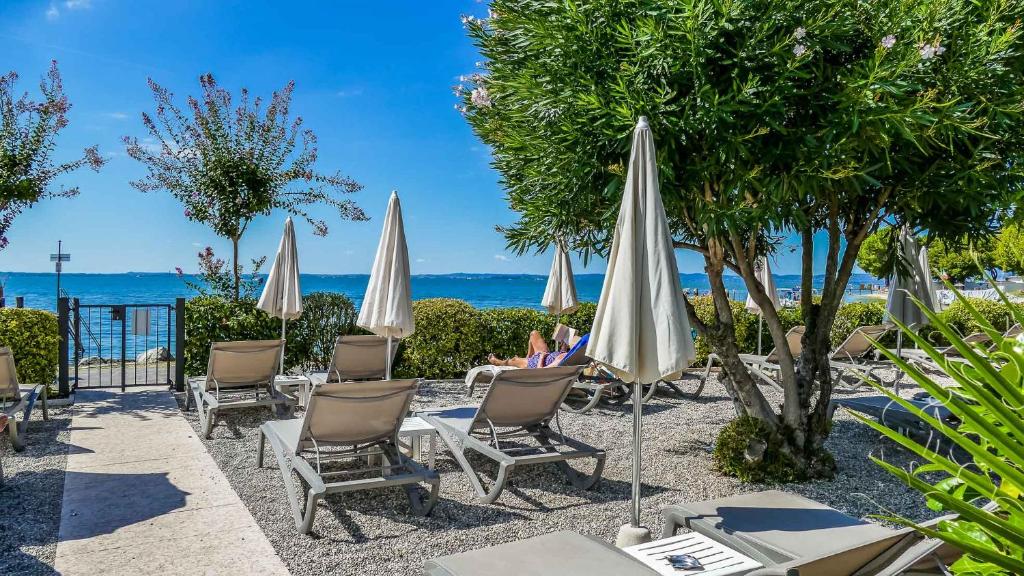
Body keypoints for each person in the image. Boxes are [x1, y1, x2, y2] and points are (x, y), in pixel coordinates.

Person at [488, 330, 569, 369]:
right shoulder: (572, 356)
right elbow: (562, 358)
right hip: (547, 355)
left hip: (537, 362)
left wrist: (542, 357)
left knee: (514, 360)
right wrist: (563, 348)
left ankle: (499, 362)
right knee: (534, 334)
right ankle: (528, 356)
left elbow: (540, 372)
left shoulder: (560, 362)